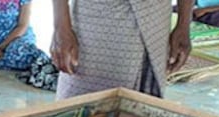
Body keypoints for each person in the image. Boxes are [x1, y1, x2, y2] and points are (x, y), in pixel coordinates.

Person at [50, 0, 193, 100]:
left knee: (144, 111)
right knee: (83, 108)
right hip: (97, 19)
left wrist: (184, 24)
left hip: (156, 20)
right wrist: (61, 26)